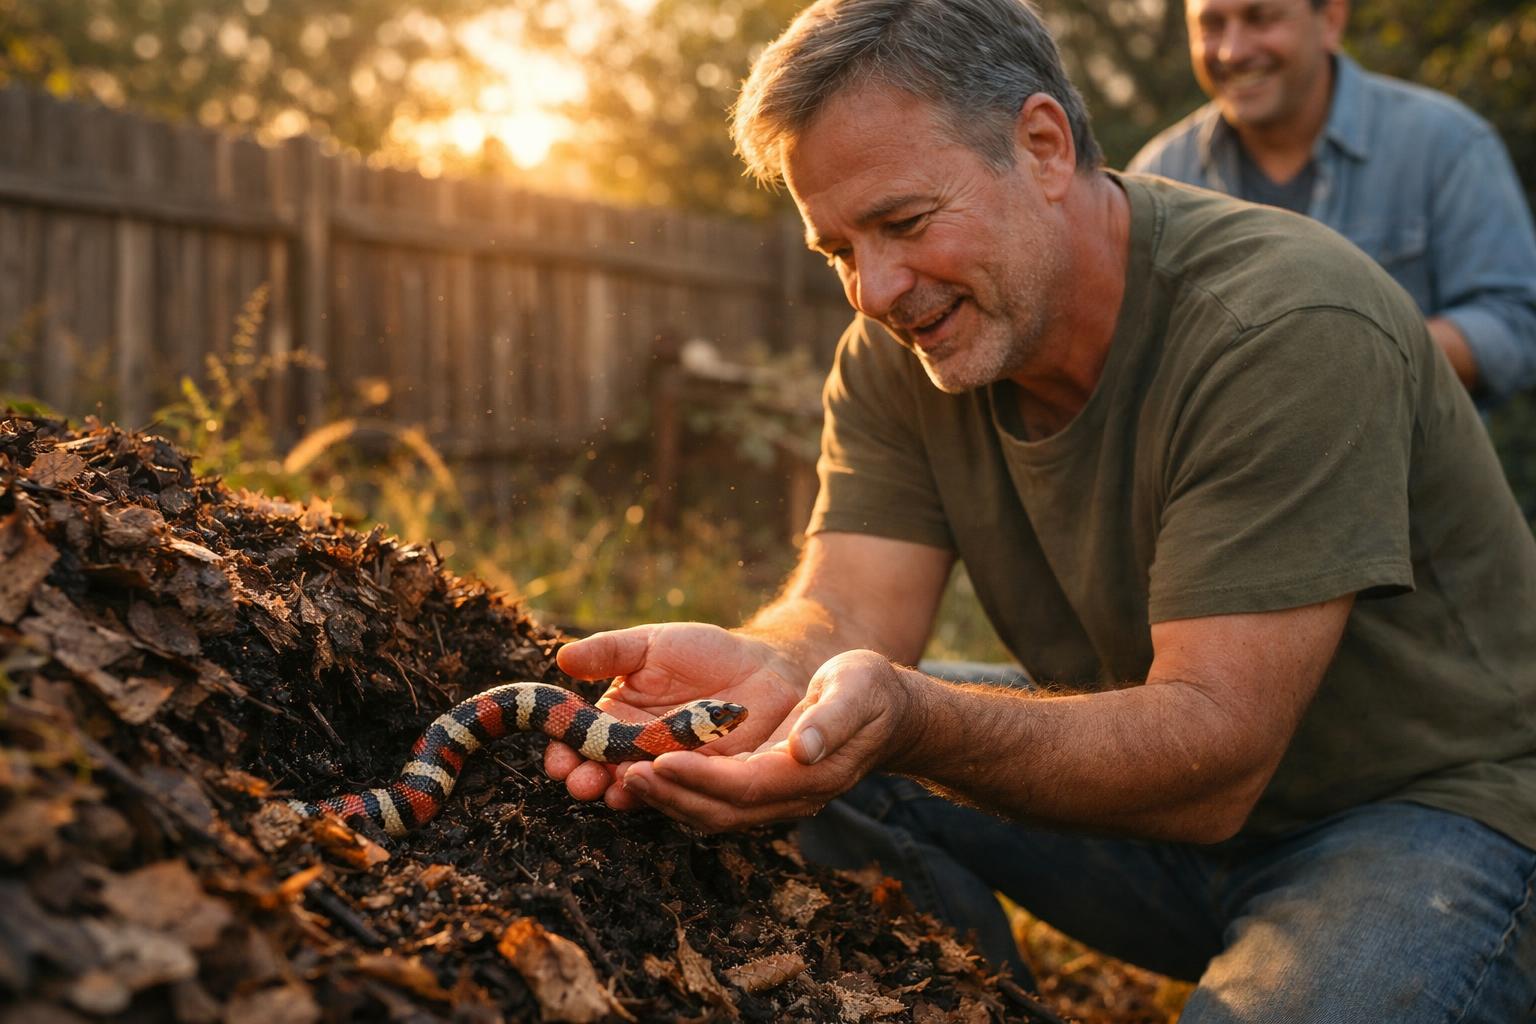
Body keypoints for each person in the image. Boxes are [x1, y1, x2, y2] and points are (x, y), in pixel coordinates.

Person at [541, 0, 1536, 1018]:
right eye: (837, 248)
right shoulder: (901, 351)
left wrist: (910, 719)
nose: (874, 290)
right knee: (803, 737)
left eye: (904, 222)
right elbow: (844, 613)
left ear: (1044, 145)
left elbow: (1214, 756)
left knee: (879, 731)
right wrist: (773, 665)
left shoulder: (1281, 326)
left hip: (1432, 820)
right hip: (1176, 828)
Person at [1128, 0, 1536, 408]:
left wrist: (1343, 348)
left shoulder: (1447, 144)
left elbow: (1516, 326)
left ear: (1332, 20)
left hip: (1405, 471)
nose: (1232, 51)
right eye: (1211, 25)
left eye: (1261, 18)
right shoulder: (1158, 177)